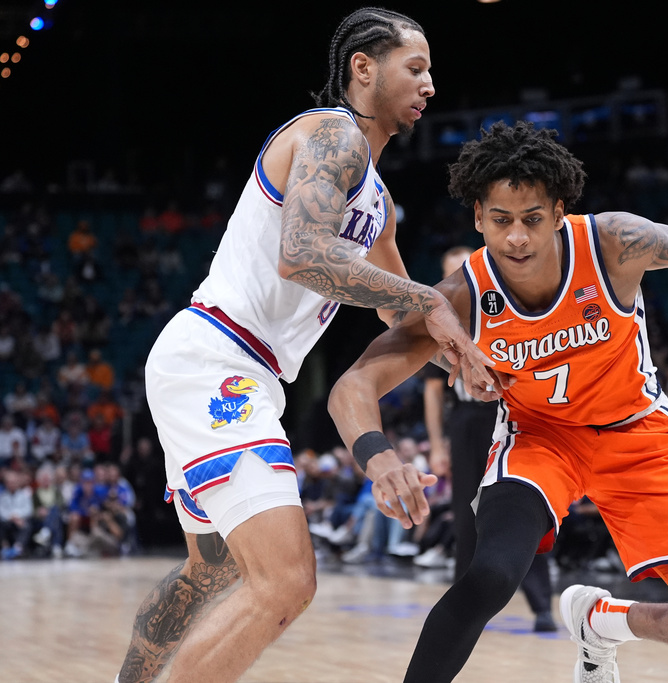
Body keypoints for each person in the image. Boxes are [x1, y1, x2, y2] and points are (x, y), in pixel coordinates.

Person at [328, 120, 668, 682]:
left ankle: (601, 620)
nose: (517, 238)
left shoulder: (612, 244)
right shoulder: (461, 296)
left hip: (639, 438)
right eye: (501, 221)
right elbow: (353, 384)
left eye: (532, 220)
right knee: (490, 577)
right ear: (478, 217)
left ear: (558, 211)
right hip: (540, 442)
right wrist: (380, 459)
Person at [114, 9, 492, 683]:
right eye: (416, 67)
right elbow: (304, 254)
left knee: (211, 572)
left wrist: (462, 356)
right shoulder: (331, 135)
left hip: (237, 370)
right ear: (363, 68)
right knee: (287, 580)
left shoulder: (378, 196)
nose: (430, 84)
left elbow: (391, 306)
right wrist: (432, 300)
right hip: (219, 359)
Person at [421, 245, 556, 632]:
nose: (456, 281)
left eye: (462, 271)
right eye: (449, 275)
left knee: (528, 506)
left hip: (515, 413)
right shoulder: (438, 320)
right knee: (467, 516)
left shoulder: (508, 304)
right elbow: (433, 390)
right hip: (466, 421)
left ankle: (542, 603)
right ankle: (467, 607)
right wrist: (437, 445)